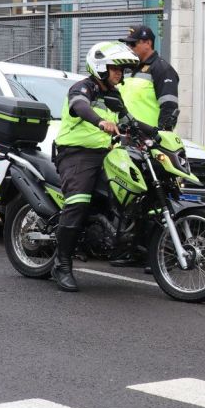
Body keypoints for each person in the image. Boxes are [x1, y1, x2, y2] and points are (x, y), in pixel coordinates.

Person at [51, 41, 139, 293]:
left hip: (106, 154)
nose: (119, 73)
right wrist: (100, 122)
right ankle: (61, 264)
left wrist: (154, 134)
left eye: (122, 70)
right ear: (100, 67)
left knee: (130, 192)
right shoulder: (83, 88)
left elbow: (129, 121)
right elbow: (80, 106)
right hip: (76, 154)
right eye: (115, 68)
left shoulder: (114, 95)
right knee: (78, 202)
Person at [119, 24, 180, 131]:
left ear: (148, 43)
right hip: (126, 135)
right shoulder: (127, 68)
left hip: (149, 137)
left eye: (133, 44)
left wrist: (162, 134)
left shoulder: (162, 69)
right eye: (127, 44)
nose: (129, 47)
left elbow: (169, 106)